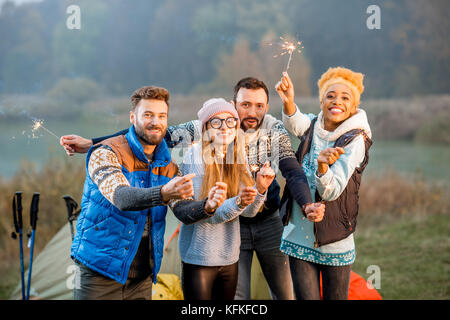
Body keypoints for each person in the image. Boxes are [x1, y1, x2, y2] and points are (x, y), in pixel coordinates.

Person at [60, 78, 323, 300]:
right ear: (234, 105)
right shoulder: (202, 131)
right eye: (245, 105)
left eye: (258, 106)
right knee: (239, 295)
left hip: (264, 220)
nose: (251, 112)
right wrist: (92, 143)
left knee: (283, 291)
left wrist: (305, 203)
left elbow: (292, 170)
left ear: (267, 107)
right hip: (222, 230)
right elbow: (152, 133)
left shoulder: (272, 130)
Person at [71, 86, 225, 300]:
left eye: (162, 116)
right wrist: (163, 192)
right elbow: (121, 198)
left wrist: (207, 206)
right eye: (148, 115)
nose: (156, 122)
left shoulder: (168, 166)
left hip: (142, 276)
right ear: (133, 118)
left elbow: (182, 210)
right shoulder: (105, 153)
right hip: (99, 273)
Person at [275, 67, 373, 300]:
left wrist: (322, 167)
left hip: (334, 238)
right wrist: (289, 101)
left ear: (353, 106)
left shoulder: (355, 139)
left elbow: (331, 191)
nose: (336, 101)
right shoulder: (313, 125)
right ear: (321, 101)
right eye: (330, 96)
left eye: (344, 97)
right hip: (299, 233)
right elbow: (296, 124)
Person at [170, 98, 275, 300]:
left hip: (229, 257)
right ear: (206, 128)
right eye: (216, 122)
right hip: (200, 257)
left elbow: (249, 212)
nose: (224, 127)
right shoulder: (195, 155)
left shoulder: (239, 155)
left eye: (230, 121)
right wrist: (238, 202)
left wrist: (260, 189)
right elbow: (208, 214)